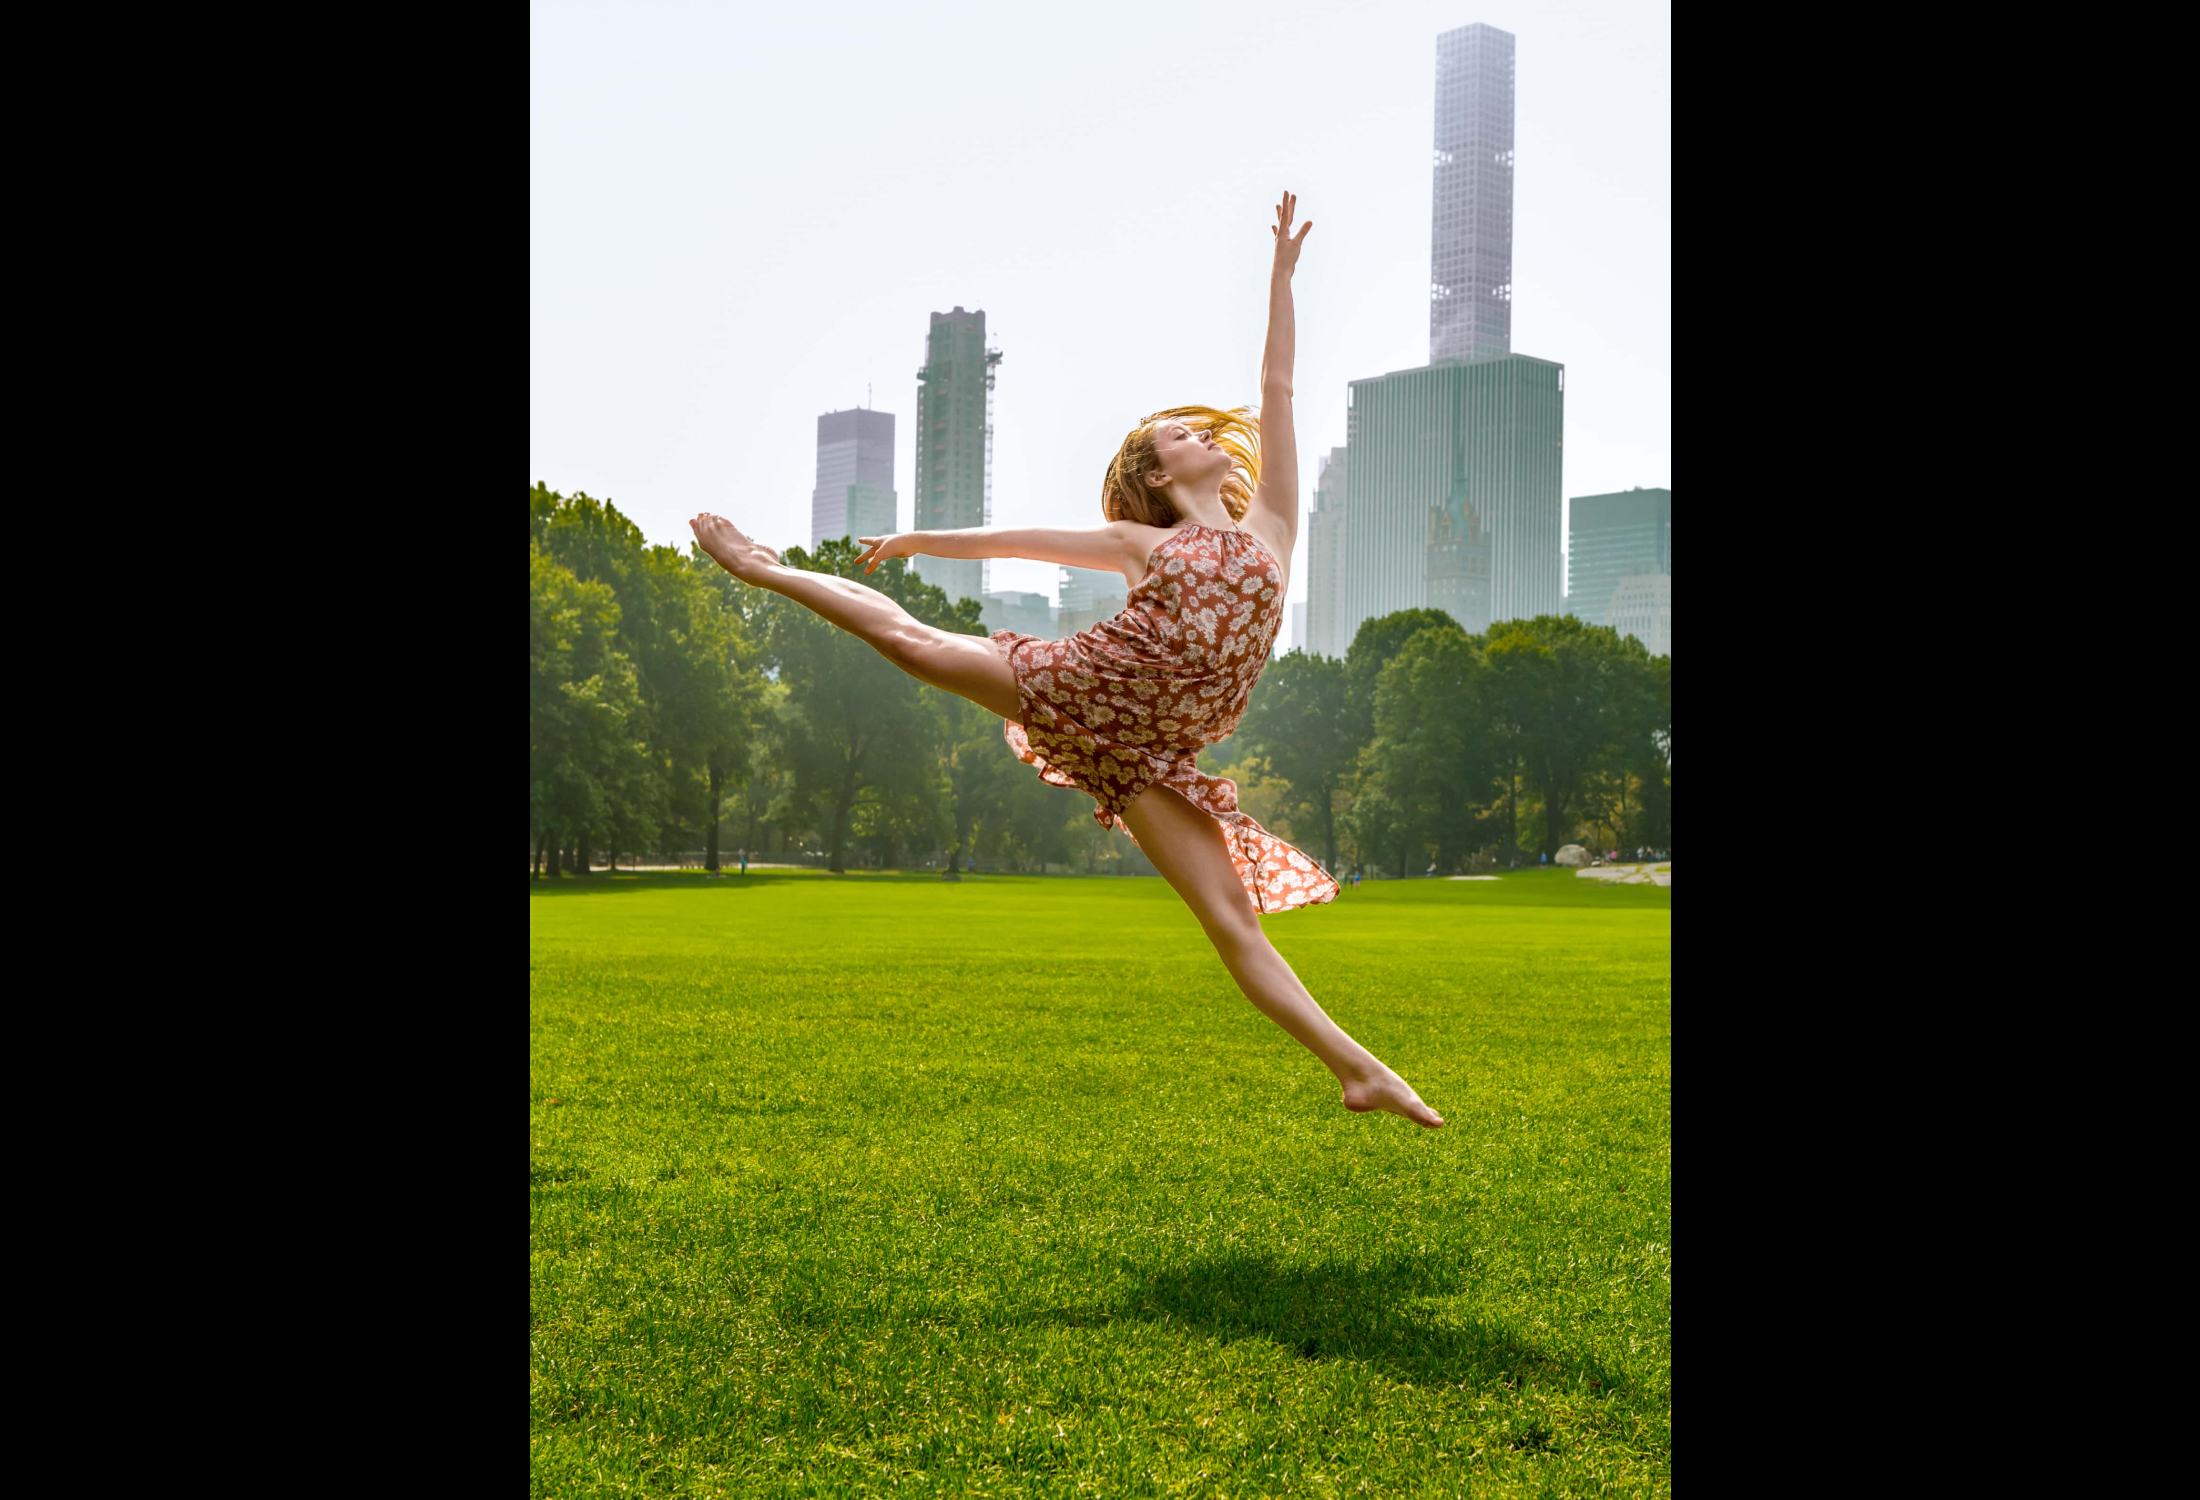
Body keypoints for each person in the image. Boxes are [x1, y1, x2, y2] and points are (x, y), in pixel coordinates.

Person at [690, 194, 1441, 1129]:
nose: (1203, 435)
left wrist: (1282, 279)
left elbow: (1278, 388)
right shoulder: (1141, 541)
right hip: (1085, 682)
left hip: (1150, 758)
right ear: (1162, 477)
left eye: (1198, 430)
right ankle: (765, 568)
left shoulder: (1274, 528)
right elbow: (1029, 539)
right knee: (910, 641)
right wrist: (921, 537)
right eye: (1180, 436)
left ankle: (1360, 1072)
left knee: (1231, 925)